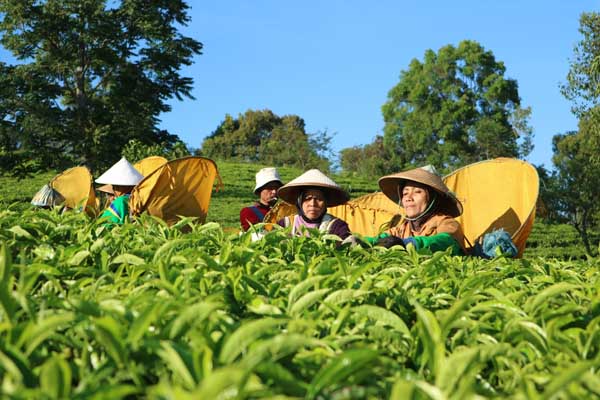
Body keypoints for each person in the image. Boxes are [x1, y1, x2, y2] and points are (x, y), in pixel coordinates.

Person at [369, 165, 465, 255]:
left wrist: (409, 244)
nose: (408, 198)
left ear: (432, 198)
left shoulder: (446, 223)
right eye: (405, 193)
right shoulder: (403, 229)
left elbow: (447, 241)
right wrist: (361, 241)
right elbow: (379, 240)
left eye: (417, 192)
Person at [276, 169, 351, 240]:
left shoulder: (337, 227)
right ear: (300, 202)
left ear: (325, 202)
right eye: (307, 198)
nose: (313, 204)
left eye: (319, 199)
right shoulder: (285, 224)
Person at [96, 157, 144, 225]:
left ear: (119, 186)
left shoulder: (121, 201)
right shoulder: (139, 198)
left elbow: (104, 224)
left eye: (114, 187)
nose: (114, 190)